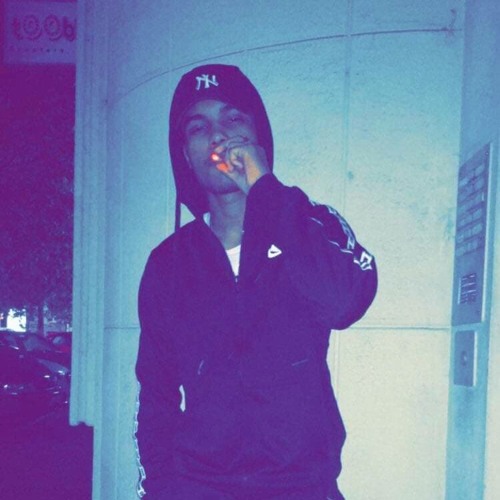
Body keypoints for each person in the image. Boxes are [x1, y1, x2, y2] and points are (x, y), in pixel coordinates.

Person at [134, 63, 377, 499]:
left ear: (258, 137)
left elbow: (344, 302)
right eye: (198, 127)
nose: (218, 135)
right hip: (199, 489)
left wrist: (264, 188)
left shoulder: (308, 225)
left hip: (303, 488)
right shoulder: (168, 264)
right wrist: (160, 489)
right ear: (185, 154)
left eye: (233, 118)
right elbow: (156, 396)